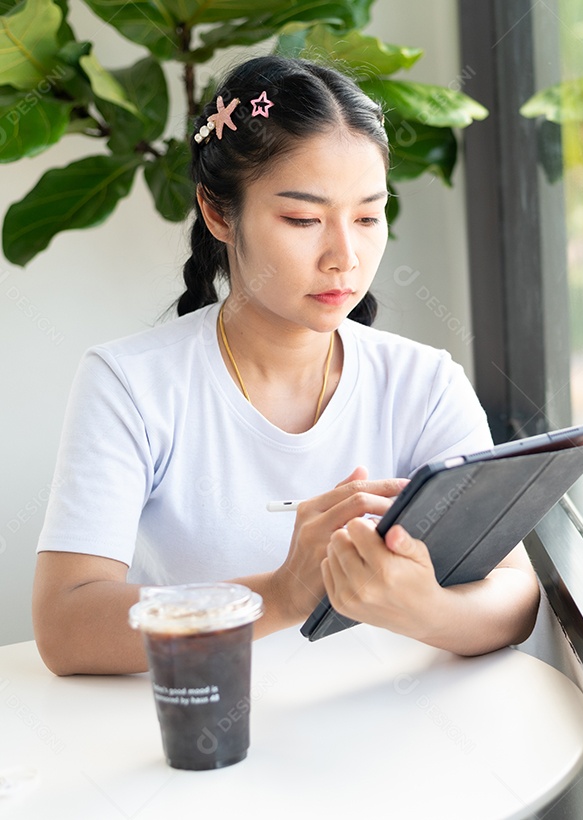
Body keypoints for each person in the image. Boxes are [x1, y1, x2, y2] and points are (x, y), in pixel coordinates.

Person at [31, 55, 540, 676]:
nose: (344, 257)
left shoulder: (424, 383)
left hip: (380, 734)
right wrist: (282, 593)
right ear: (219, 213)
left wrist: (422, 608)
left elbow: (516, 594)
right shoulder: (132, 384)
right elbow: (65, 623)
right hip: (198, 739)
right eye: (303, 219)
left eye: (368, 216)